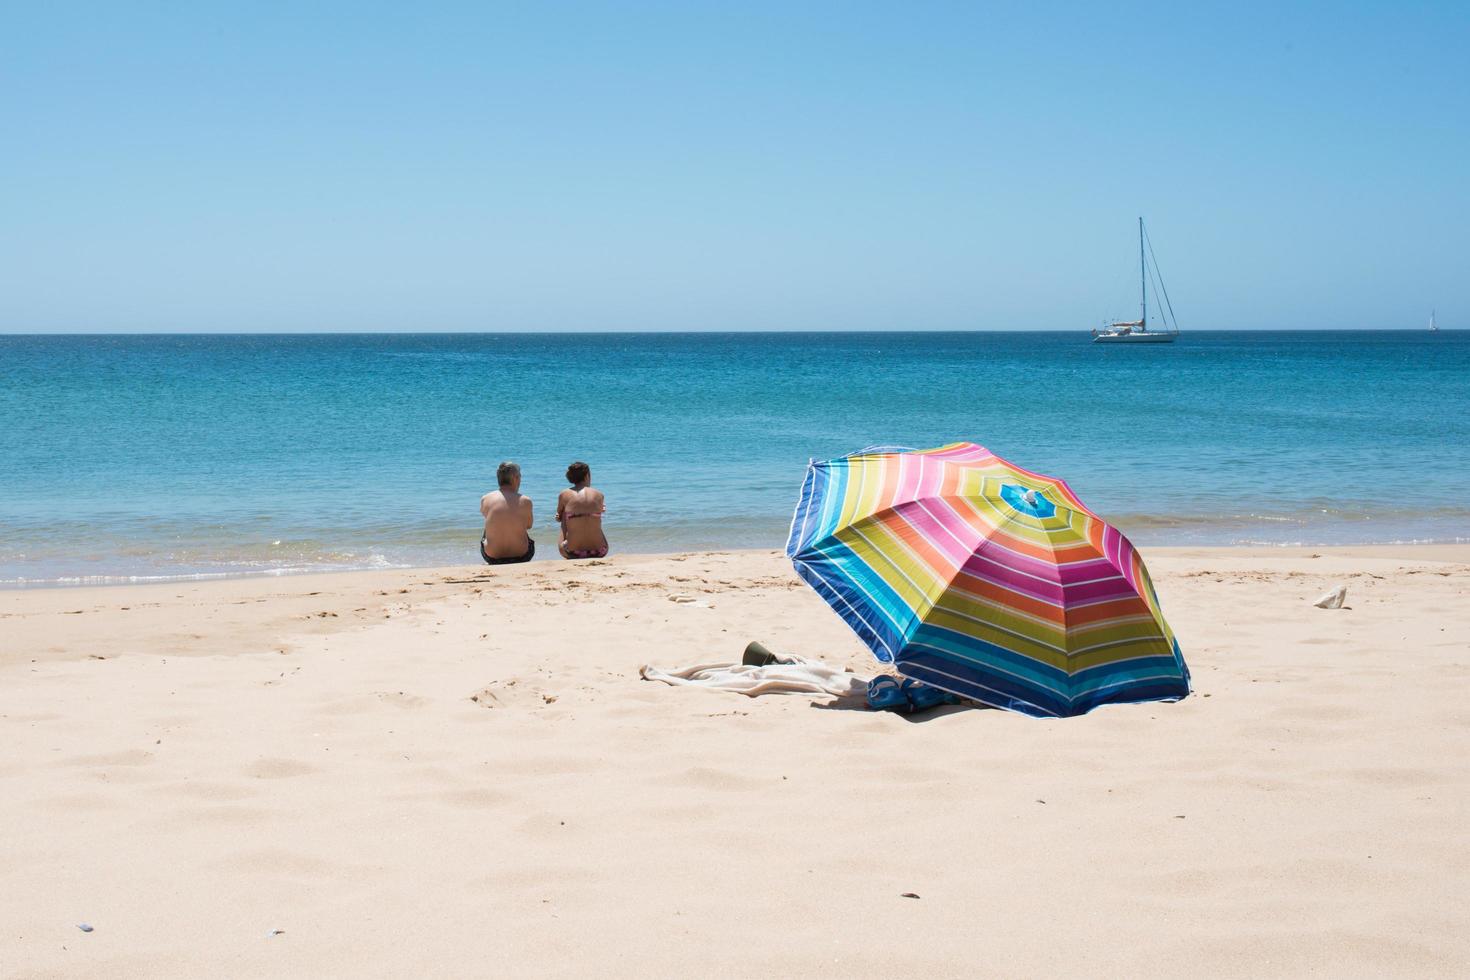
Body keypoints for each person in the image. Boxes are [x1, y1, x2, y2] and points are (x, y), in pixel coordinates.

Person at [479, 461, 535, 564]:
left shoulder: (485, 498)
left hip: (492, 557)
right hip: (522, 556)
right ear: (515, 478)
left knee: (491, 521)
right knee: (518, 522)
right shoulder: (525, 501)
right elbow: (528, 526)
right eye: (520, 476)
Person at [556, 461, 607, 559]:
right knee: (595, 515)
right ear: (587, 476)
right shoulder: (599, 494)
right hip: (600, 551)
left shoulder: (564, 494)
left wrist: (561, 516)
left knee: (564, 514)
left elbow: (558, 518)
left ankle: (568, 544)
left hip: (572, 552)